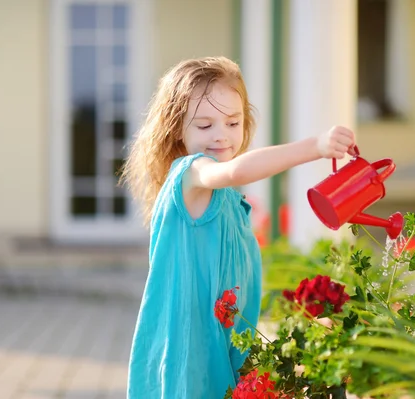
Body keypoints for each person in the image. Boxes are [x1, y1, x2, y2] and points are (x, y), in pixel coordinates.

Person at [120, 56, 356, 398]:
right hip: (193, 343)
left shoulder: (225, 194)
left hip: (225, 338)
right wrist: (314, 147)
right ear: (177, 129)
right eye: (204, 126)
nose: (221, 136)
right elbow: (237, 171)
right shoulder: (193, 174)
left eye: (233, 122)